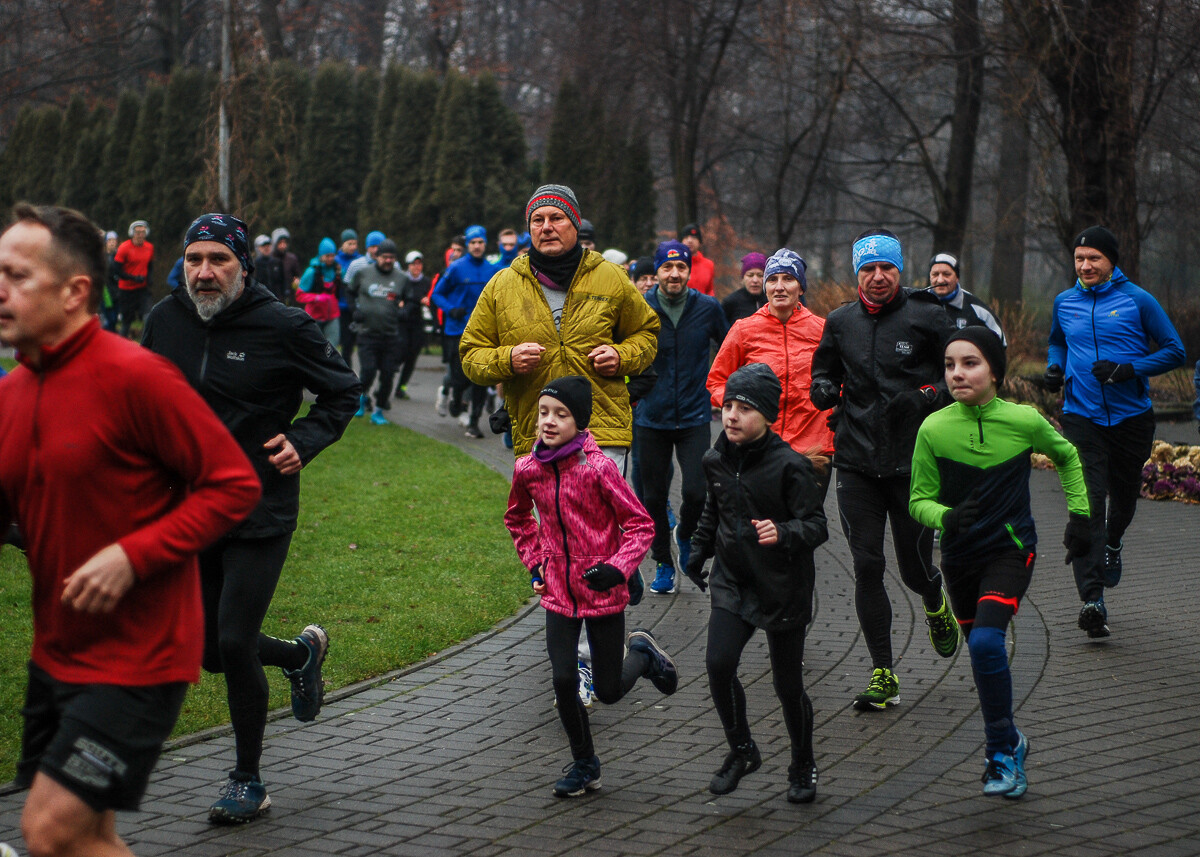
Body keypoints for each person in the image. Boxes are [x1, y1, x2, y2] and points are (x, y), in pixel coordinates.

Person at [0, 204, 261, 856]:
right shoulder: (10, 396)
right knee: (87, 836)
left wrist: (132, 554)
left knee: (47, 828)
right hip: (57, 650)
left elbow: (234, 483)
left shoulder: (135, 377)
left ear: (75, 291)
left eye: (16, 274)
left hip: (139, 658)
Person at [143, 213, 361, 824]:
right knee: (211, 650)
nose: (205, 272)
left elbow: (343, 390)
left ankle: (248, 779)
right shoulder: (164, 320)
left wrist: (306, 438)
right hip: (187, 507)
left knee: (234, 640)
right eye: (195, 260)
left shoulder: (285, 325)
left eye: (218, 260)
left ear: (245, 265)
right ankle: (298, 657)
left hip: (257, 504)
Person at [910, 327, 1091, 797]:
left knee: (988, 642)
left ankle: (999, 755)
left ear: (994, 370)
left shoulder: (1024, 421)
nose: (957, 373)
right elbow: (918, 500)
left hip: (1011, 549)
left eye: (969, 363)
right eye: (950, 364)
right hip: (959, 556)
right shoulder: (933, 429)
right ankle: (1012, 738)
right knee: (980, 649)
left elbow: (1068, 457)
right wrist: (947, 517)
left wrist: (1082, 518)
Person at [504, 377, 678, 797]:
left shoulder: (598, 468)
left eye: (560, 414)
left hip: (602, 590)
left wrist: (618, 569)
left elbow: (640, 524)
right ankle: (585, 763)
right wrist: (536, 562)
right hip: (558, 591)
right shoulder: (528, 469)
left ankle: (642, 653)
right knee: (564, 679)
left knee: (609, 690)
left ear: (578, 421)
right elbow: (518, 519)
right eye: (544, 412)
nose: (548, 421)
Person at [810, 228, 958, 710]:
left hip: (912, 463)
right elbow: (824, 371)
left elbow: (956, 374)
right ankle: (883, 672)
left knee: (914, 570)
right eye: (868, 270)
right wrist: (823, 389)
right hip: (855, 461)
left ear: (900, 271)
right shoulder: (840, 321)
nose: (877, 277)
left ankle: (934, 600)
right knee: (867, 564)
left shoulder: (927, 316)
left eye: (886, 269)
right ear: (857, 275)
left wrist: (926, 397)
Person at [685, 363, 828, 804]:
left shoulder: (791, 467)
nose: (731, 415)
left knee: (787, 686)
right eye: (727, 405)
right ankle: (742, 750)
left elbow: (817, 525)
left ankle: (802, 763)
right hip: (732, 579)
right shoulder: (716, 458)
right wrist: (697, 549)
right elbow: (715, 508)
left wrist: (783, 533)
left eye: (744, 408)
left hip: (782, 585)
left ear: (767, 415)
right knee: (719, 664)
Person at [1044, 225, 1186, 638]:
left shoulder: (1137, 300)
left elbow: (1174, 350)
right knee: (1087, 504)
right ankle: (1092, 600)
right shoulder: (1064, 301)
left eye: (1094, 259)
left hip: (1130, 420)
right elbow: (1057, 342)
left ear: (1111, 261)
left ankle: (1114, 542)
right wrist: (1055, 368)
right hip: (1082, 417)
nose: (1085, 266)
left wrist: (1129, 370)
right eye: (1079, 258)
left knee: (1121, 503)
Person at [460, 184, 660, 464]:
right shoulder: (501, 286)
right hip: (538, 435)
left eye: (557, 218)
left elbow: (647, 334)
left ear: (575, 223)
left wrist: (620, 356)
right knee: (553, 511)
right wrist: (507, 359)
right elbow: (470, 354)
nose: (547, 227)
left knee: (601, 510)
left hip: (602, 434)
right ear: (529, 229)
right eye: (537, 220)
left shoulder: (611, 277)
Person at [636, 240, 728, 595]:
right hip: (651, 417)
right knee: (654, 497)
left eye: (681, 268)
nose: (674, 274)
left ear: (690, 272)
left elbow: (729, 347)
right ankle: (662, 561)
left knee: (697, 491)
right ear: (656, 272)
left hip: (694, 415)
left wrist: (721, 388)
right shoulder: (640, 308)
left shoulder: (706, 308)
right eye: (667, 268)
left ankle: (686, 533)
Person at [708, 248, 835, 495]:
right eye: (773, 279)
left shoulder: (824, 329)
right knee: (764, 527)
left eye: (788, 279)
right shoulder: (744, 329)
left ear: (801, 288)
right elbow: (717, 380)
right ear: (765, 287)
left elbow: (841, 379)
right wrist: (741, 410)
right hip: (760, 446)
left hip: (813, 447)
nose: (779, 287)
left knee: (807, 526)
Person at [432, 225, 506, 438]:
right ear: (467, 245)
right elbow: (437, 294)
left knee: (480, 378)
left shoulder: (492, 270)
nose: (476, 246)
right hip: (457, 330)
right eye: (473, 243)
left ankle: (474, 422)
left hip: (482, 334)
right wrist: (450, 310)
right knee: (459, 377)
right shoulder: (456, 268)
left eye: (480, 242)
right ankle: (456, 399)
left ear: (485, 245)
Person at [346, 238, 405, 425]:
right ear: (376, 256)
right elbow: (349, 292)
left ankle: (378, 411)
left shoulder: (401, 278)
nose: (388, 261)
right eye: (385, 257)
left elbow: (410, 300)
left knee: (388, 374)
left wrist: (403, 311)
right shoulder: (364, 273)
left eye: (392, 258)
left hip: (390, 335)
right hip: (367, 333)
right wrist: (354, 311)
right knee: (368, 371)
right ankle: (362, 399)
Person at [926, 252, 1005, 344]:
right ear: (930, 277)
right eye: (935, 274)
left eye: (946, 274)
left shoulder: (978, 311)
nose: (940, 280)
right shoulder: (917, 304)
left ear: (957, 277)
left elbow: (1000, 343)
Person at [394, 250, 430, 401]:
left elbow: (430, 298)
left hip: (418, 322)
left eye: (419, 264)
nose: (416, 267)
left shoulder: (426, 282)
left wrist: (426, 300)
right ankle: (391, 367)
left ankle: (401, 388)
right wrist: (399, 303)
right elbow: (394, 296)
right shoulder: (401, 279)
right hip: (402, 322)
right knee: (402, 348)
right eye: (413, 264)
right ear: (407, 265)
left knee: (412, 356)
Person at [296, 237, 343, 346]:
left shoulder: (337, 270)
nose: (330, 259)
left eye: (332, 255)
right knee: (314, 349)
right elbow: (299, 295)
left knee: (332, 349)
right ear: (321, 255)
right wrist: (316, 298)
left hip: (332, 316)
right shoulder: (311, 272)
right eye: (327, 256)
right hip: (314, 317)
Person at [113, 219, 154, 337]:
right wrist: (133, 278)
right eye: (137, 232)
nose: (141, 235)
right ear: (132, 233)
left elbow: (150, 265)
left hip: (142, 289)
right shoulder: (124, 248)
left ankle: (147, 343)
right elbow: (116, 270)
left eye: (143, 232)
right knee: (127, 321)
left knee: (148, 316)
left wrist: (149, 278)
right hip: (126, 290)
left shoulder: (149, 247)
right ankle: (121, 346)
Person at [334, 229, 362, 363]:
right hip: (341, 307)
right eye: (349, 243)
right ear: (343, 244)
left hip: (357, 306)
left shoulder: (360, 260)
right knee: (345, 342)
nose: (353, 247)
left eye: (355, 244)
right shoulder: (335, 260)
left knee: (356, 342)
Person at [721, 252, 768, 324]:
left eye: (760, 275)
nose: (755, 280)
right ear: (743, 278)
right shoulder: (730, 302)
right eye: (750, 275)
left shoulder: (772, 301)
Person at [262, 227, 301, 304]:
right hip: (273, 299)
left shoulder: (292, 259)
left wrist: (297, 281)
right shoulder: (268, 260)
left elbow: (298, 276)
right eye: (280, 243)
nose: (283, 246)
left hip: (290, 298)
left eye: (285, 242)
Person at [679, 223, 715, 296]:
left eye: (694, 238)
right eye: (686, 237)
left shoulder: (708, 265)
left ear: (700, 242)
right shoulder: (675, 263)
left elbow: (710, 291)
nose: (689, 241)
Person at [101, 230, 120, 331]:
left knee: (115, 320)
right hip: (106, 292)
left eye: (114, 240)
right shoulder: (102, 257)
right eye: (110, 240)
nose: (112, 242)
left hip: (118, 292)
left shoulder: (120, 256)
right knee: (110, 319)